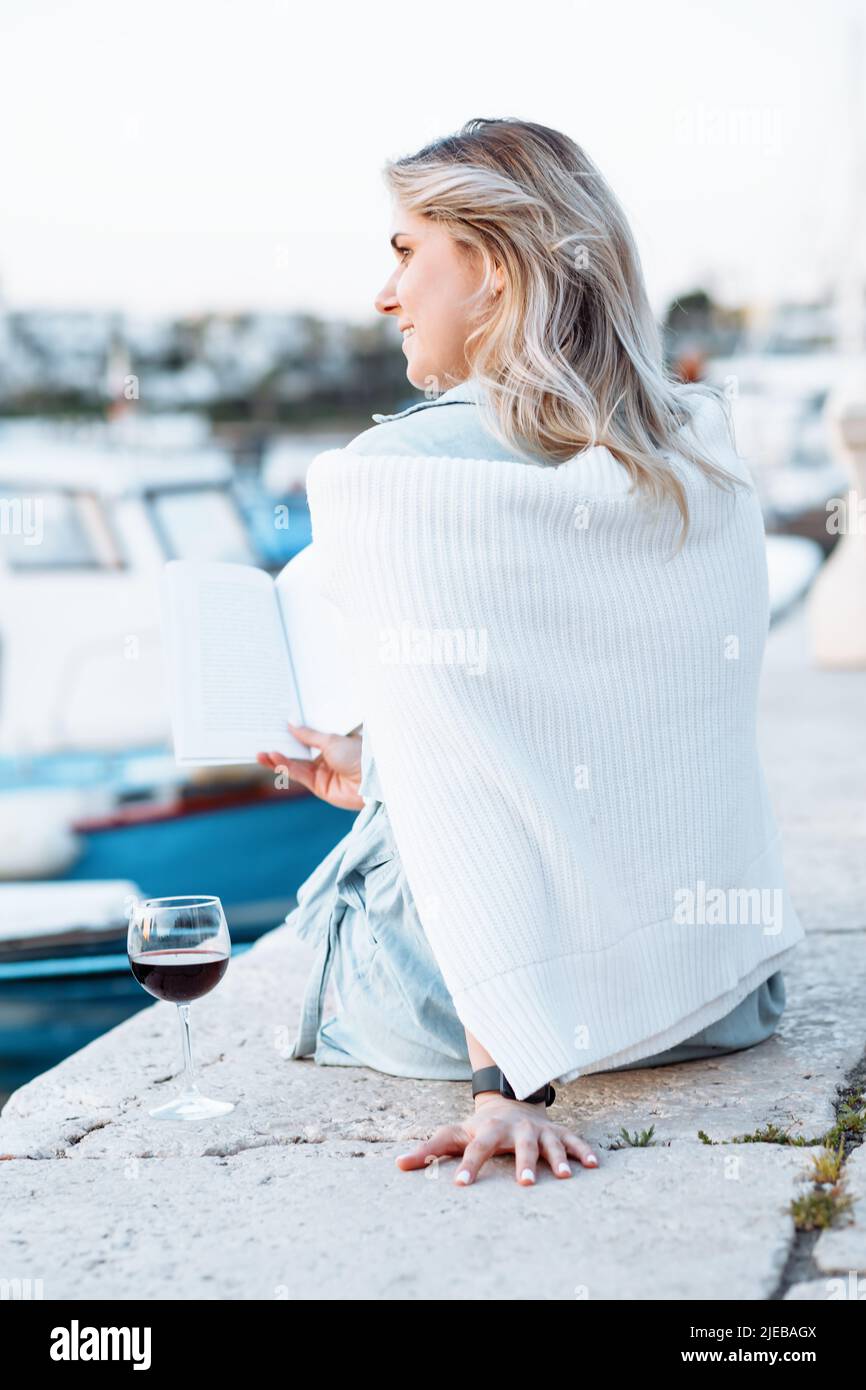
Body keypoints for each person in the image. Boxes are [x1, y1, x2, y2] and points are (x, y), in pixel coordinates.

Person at [257, 118, 794, 1189]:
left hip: (473, 1012)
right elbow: (640, 731)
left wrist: (508, 1085)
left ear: (493, 269)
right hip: (719, 994)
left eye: (407, 252)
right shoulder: (696, 448)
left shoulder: (398, 474)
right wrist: (385, 775)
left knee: (317, 925)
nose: (385, 293)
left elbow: (468, 799)